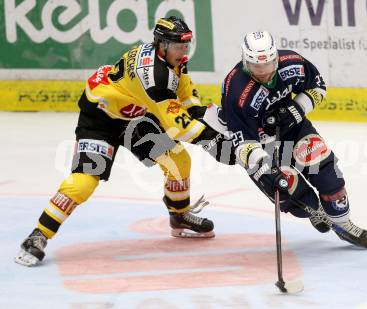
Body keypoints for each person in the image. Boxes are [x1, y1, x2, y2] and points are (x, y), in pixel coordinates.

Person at [15, 16, 216, 267]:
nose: (184, 51)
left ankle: (179, 216)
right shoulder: (155, 75)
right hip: (100, 119)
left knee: (178, 160)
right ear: (161, 45)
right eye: (179, 46)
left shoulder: (172, 60)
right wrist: (217, 137)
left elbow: (186, 97)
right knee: (83, 182)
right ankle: (38, 235)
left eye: (186, 45)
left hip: (133, 118)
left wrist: (206, 114)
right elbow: (178, 126)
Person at [205, 31, 367, 245]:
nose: (264, 72)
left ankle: (345, 225)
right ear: (246, 62)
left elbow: (318, 86)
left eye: (268, 64)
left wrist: (297, 108)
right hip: (260, 143)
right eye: (257, 67)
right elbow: (242, 142)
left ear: (276, 57)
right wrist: (263, 167)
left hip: (293, 128)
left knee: (329, 179)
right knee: (289, 190)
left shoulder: (292, 63)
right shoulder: (236, 91)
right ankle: (316, 211)